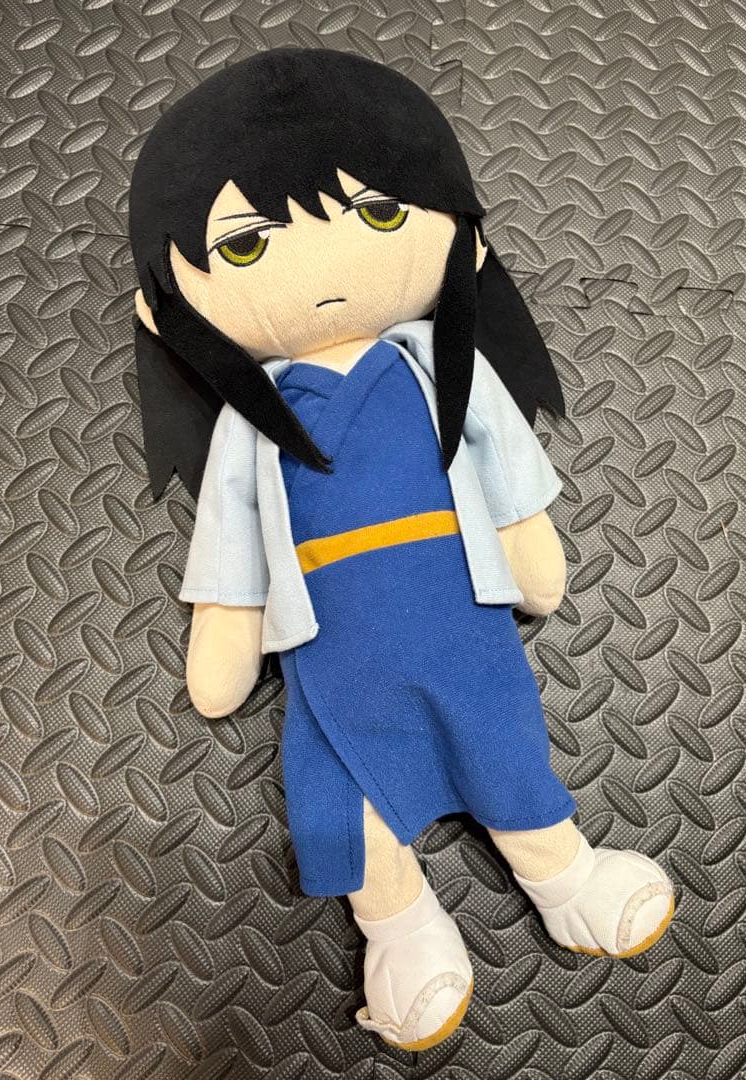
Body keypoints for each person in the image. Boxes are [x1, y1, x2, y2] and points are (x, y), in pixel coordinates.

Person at [128, 47, 675, 1051]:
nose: (322, 267)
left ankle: (565, 874)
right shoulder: (252, 421)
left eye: (380, 214)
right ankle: (400, 929)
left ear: (461, 238)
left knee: (500, 733)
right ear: (161, 301)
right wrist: (227, 625)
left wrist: (524, 541)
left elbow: (496, 456)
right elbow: (233, 533)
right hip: (330, 640)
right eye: (243, 246)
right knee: (340, 789)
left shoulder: (437, 367)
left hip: (456, 605)